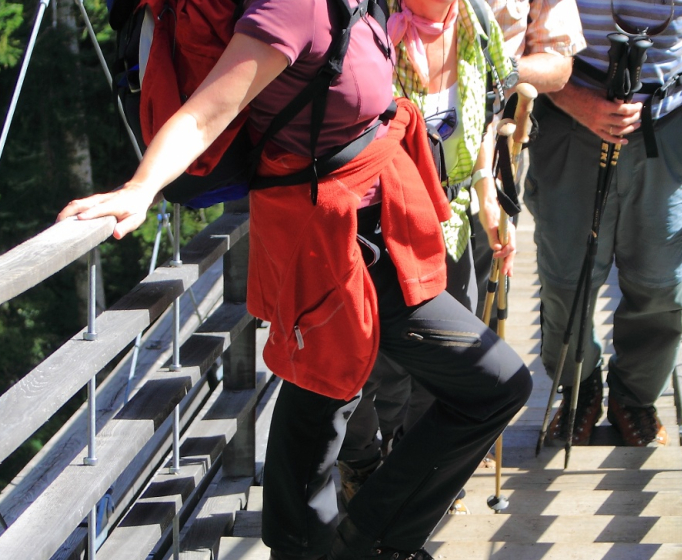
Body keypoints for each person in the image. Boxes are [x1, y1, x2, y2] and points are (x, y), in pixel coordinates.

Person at [57, 0, 532, 557]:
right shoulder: (294, 6)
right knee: (485, 385)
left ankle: (326, 542)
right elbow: (205, 113)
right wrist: (140, 188)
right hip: (336, 234)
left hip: (368, 218)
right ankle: (367, 543)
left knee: (323, 391)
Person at [528, 0, 682, 447]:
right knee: (566, 278)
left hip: (666, 125)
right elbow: (520, 40)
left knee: (660, 279)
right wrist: (576, 100)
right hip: (570, 123)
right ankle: (579, 389)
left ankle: (635, 399)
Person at [335, 0, 519, 510]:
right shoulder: (370, 26)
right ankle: (363, 466)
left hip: (451, 218)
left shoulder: (478, 24)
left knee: (446, 357)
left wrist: (486, 195)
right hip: (380, 217)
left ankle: (418, 463)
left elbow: (486, 114)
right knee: (373, 359)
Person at [471, 0, 585, 314]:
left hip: (496, 158)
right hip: (405, 157)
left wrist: (490, 68)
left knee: (483, 303)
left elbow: (558, 65)